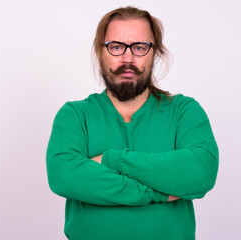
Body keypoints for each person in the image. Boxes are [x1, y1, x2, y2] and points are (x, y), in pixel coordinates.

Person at [46, 6, 218, 240]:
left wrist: (111, 159)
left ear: (154, 52)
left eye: (139, 47)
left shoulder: (183, 112)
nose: (128, 59)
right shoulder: (75, 115)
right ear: (100, 51)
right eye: (116, 47)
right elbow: (62, 176)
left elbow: (201, 173)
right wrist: (157, 192)